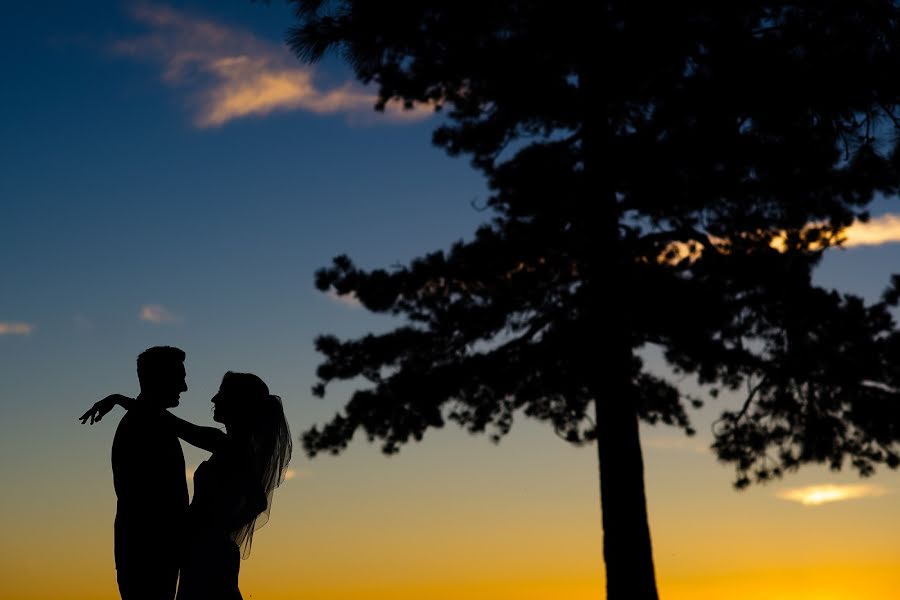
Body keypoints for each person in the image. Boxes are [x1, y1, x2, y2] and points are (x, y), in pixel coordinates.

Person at [82, 369, 292, 600]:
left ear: (238, 403)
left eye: (221, 393)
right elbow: (172, 423)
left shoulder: (235, 449)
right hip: (201, 551)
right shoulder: (224, 443)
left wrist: (214, 531)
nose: (213, 399)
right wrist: (118, 399)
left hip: (209, 553)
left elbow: (257, 502)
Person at [90, 346, 189, 600]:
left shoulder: (151, 419)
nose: (185, 388)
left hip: (150, 549)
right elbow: (146, 495)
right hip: (148, 550)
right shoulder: (143, 424)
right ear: (159, 379)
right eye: (180, 379)